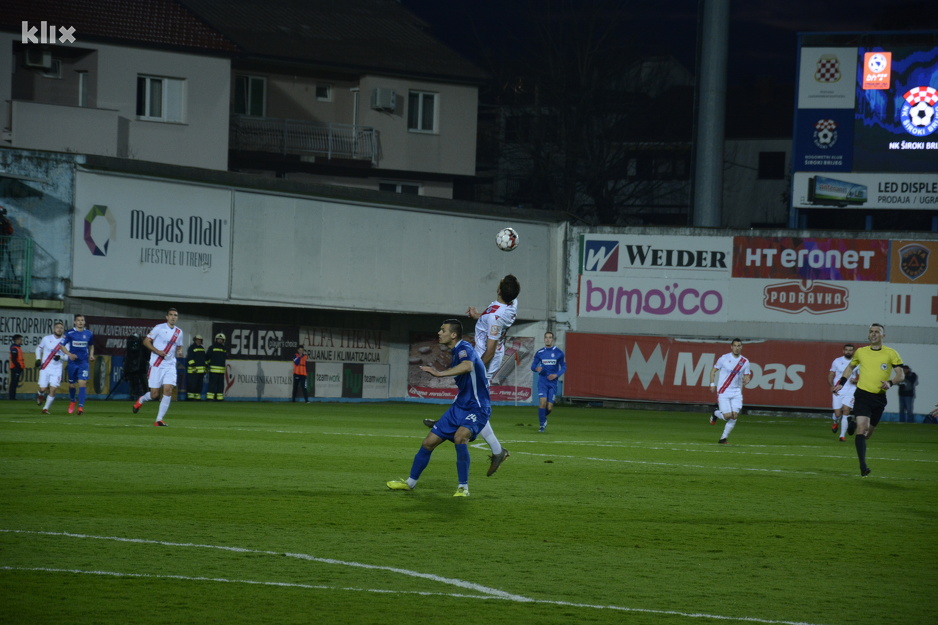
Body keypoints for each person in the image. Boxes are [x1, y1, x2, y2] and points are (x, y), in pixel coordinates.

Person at [423, 274, 520, 477]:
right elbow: (493, 318)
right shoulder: (510, 304)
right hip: (486, 352)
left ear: (500, 290)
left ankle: (497, 450)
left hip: (486, 359)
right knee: (467, 395)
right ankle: (494, 449)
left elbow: (491, 349)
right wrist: (479, 316)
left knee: (473, 399)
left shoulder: (495, 317)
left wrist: (477, 368)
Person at [388, 319, 491, 497]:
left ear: (453, 334)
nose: (439, 332)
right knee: (428, 443)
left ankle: (463, 488)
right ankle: (410, 483)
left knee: (460, 438)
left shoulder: (464, 347)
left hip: (477, 408)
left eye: (443, 330)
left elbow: (468, 366)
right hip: (459, 407)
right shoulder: (456, 352)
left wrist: (439, 373)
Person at [832, 323, 904, 477]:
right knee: (862, 429)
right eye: (871, 331)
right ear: (868, 335)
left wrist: (890, 382)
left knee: (867, 434)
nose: (873, 334)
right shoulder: (861, 352)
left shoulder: (891, 353)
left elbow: (901, 374)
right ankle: (863, 466)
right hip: (863, 394)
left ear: (883, 336)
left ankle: (852, 422)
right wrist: (841, 383)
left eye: (877, 332)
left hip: (879, 398)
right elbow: (850, 368)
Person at [133, 308, 185, 426]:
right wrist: (157, 351)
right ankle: (141, 400)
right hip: (156, 364)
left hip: (170, 365)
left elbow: (179, 346)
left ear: (177, 318)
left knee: (168, 389)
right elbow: (146, 341)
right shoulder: (159, 328)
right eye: (171, 315)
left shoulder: (179, 332)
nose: (173, 317)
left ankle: (158, 420)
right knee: (154, 395)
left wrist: (180, 351)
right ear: (166, 317)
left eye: (175, 315)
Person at [708, 338, 752, 444]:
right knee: (727, 416)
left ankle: (723, 439)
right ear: (731, 347)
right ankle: (715, 413)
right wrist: (712, 384)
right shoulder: (724, 358)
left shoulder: (744, 361)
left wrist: (747, 379)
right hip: (724, 390)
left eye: (739, 346)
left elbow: (747, 375)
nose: (737, 348)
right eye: (735, 346)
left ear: (741, 347)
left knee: (735, 416)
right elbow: (713, 370)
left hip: (736, 392)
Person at [531, 330, 566, 432]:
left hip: (553, 383)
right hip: (542, 381)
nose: (548, 339)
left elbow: (564, 367)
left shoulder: (559, 353)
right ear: (544, 339)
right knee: (542, 402)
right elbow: (533, 365)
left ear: (553, 339)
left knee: (549, 407)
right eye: (546, 337)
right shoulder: (540, 353)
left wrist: (557, 374)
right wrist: (536, 369)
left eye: (550, 337)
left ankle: (543, 417)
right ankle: (542, 425)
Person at [60, 313, 95, 415]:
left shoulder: (89, 333)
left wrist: (91, 355)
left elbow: (91, 345)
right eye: (78, 320)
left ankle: (80, 407)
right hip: (72, 362)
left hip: (83, 362)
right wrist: (69, 354)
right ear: (75, 322)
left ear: (84, 322)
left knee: (82, 383)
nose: (80, 322)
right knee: (72, 385)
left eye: (82, 320)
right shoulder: (69, 333)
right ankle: (72, 400)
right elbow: (61, 346)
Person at [828, 343, 858, 441]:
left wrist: (856, 381)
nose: (848, 352)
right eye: (847, 350)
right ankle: (835, 421)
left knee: (846, 410)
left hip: (851, 390)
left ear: (853, 351)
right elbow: (831, 374)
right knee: (838, 414)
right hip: (838, 389)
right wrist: (831, 385)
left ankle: (842, 436)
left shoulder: (857, 363)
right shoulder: (837, 361)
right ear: (843, 351)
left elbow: (862, 377)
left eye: (850, 350)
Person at [35, 321, 66, 413]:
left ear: (63, 330)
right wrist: (38, 359)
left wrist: (61, 357)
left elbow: (68, 356)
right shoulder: (46, 339)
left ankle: (45, 408)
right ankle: (40, 394)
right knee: (43, 388)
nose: (59, 329)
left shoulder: (65, 341)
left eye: (61, 328)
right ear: (54, 329)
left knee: (53, 389)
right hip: (45, 367)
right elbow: (39, 348)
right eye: (57, 327)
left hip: (57, 368)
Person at [185, 334, 206, 400]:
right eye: (197, 340)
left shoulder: (202, 348)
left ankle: (197, 397)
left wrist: (205, 367)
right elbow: (190, 358)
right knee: (192, 384)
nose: (198, 341)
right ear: (195, 340)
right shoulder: (191, 348)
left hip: (201, 371)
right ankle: (190, 397)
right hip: (193, 370)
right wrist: (193, 366)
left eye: (199, 340)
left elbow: (203, 359)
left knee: (199, 384)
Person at [206, 333, 227, 401]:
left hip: (221, 370)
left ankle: (219, 398)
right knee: (212, 384)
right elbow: (207, 357)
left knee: (221, 385)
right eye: (219, 339)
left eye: (221, 339)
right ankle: (210, 397)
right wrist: (207, 365)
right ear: (216, 339)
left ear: (223, 340)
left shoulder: (224, 348)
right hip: (213, 370)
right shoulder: (212, 347)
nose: (220, 340)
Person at [8, 333, 25, 400]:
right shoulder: (14, 348)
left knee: (15, 382)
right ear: (17, 340)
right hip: (15, 368)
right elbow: (14, 359)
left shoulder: (17, 348)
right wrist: (19, 366)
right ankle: (12, 397)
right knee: (14, 383)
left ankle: (13, 397)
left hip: (17, 367)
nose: (21, 341)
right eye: (20, 340)